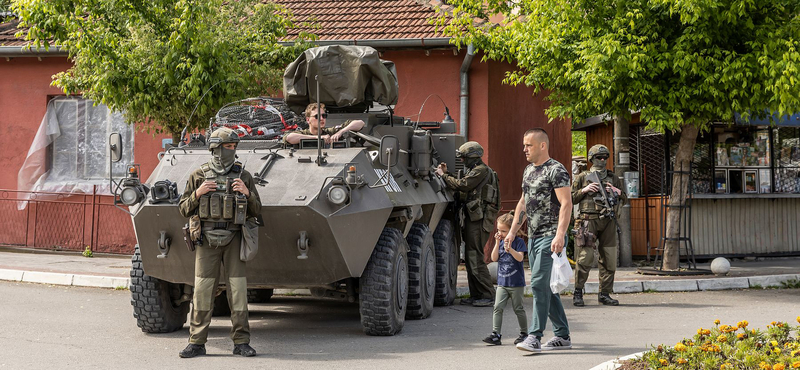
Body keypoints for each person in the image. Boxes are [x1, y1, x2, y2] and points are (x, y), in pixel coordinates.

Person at [177, 127, 262, 358]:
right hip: (206, 241)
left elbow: (257, 211)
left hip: (234, 238)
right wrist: (198, 193)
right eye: (228, 146)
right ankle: (196, 342)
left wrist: (247, 193)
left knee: (238, 292)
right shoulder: (199, 175)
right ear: (215, 148)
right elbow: (183, 209)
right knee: (203, 291)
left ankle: (242, 342)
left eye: (234, 147)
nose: (232, 150)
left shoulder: (243, 175)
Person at [506, 128, 573, 354]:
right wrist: (513, 231)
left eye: (529, 145)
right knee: (546, 287)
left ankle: (534, 336)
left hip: (550, 236)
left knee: (537, 284)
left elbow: (566, 203)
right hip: (534, 237)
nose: (524, 149)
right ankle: (562, 335)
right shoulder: (528, 170)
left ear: (542, 145)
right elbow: (523, 203)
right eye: (524, 145)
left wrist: (560, 235)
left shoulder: (556, 170)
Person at [436, 141, 500, 307]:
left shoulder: (481, 170)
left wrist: (443, 175)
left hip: (479, 220)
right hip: (474, 218)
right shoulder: (476, 171)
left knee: (475, 257)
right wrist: (448, 173)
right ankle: (477, 294)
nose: (463, 161)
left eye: (465, 158)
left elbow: (463, 185)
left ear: (473, 157)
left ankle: (487, 294)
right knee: (471, 257)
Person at [571, 144, 626, 307]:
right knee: (585, 258)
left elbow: (625, 198)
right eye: (598, 157)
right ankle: (578, 292)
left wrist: (617, 191)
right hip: (588, 221)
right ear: (591, 159)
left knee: (609, 259)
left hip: (608, 221)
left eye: (604, 157)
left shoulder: (613, 177)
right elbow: (571, 198)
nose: (602, 160)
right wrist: (585, 190)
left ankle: (604, 293)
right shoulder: (582, 177)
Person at [482, 212, 528, 346]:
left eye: (504, 230)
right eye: (498, 230)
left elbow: (520, 258)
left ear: (512, 230)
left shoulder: (518, 242)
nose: (500, 233)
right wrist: (497, 243)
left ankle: (524, 333)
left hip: (516, 284)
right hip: (502, 283)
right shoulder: (500, 242)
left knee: (518, 308)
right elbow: (494, 258)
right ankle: (496, 334)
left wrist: (510, 250)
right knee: (497, 307)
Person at [283, 103, 365, 145]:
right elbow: (289, 138)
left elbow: (360, 123)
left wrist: (340, 132)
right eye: (317, 116)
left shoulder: (330, 132)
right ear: (308, 120)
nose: (322, 119)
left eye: (324, 115)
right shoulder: (303, 134)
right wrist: (318, 138)